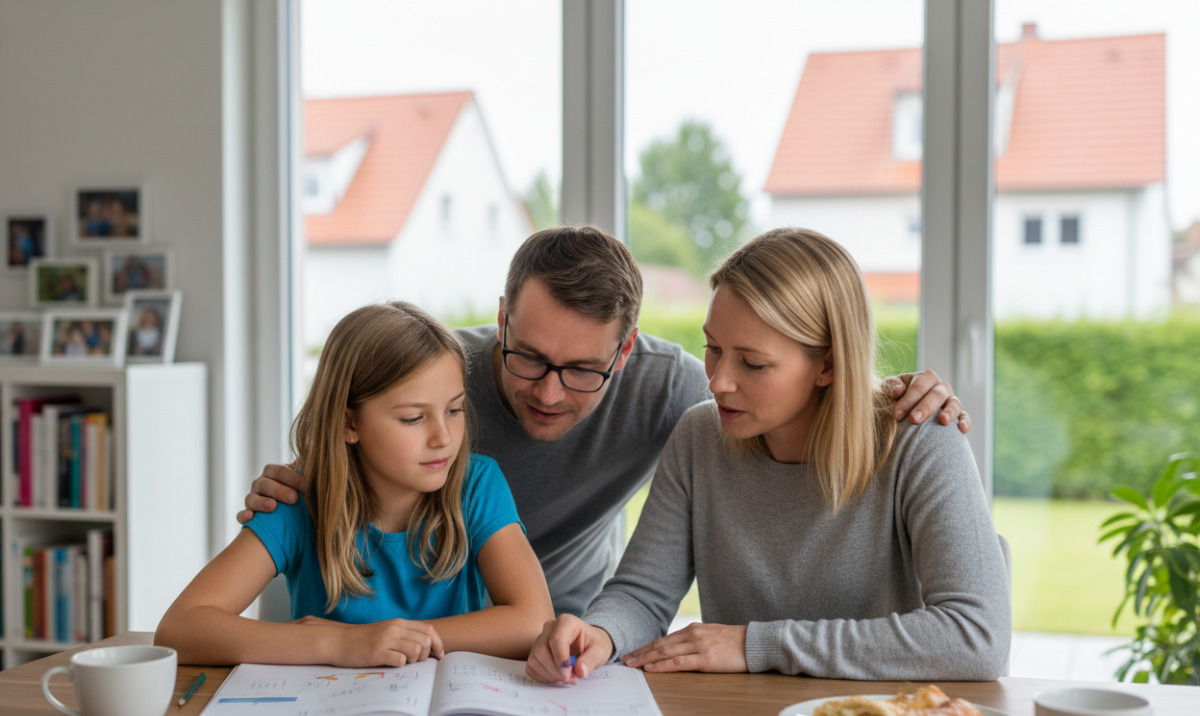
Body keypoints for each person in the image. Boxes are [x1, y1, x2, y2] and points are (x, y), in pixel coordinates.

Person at [239, 226, 969, 617]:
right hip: (376, 631)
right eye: (525, 356)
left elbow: (797, 383)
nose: (549, 393)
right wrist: (302, 477)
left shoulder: (680, 392)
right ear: (500, 320)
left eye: (583, 370)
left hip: (553, 632)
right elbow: (351, 426)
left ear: (626, 351)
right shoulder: (438, 377)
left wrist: (886, 393)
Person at [525, 228, 1010, 684]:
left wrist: (756, 645)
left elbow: (977, 636)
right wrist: (600, 633)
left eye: (753, 363)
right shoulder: (700, 436)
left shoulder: (922, 440)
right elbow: (642, 595)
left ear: (829, 364)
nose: (717, 382)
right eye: (712, 348)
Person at [155, 302, 553, 667]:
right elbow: (181, 629)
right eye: (413, 418)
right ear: (349, 424)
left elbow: (534, 622)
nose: (443, 438)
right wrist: (342, 645)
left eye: (454, 410)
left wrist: (391, 640)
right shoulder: (299, 499)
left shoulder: (477, 485)